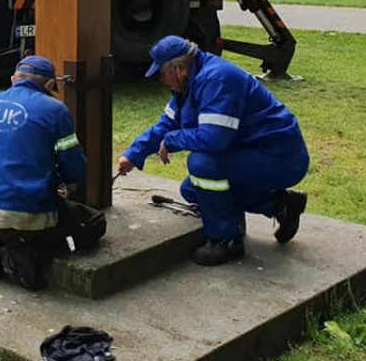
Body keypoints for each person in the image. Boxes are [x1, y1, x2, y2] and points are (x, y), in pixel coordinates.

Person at [116, 35, 309, 266]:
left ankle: (225, 240)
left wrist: (172, 140)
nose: (161, 80)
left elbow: (214, 140)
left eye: (161, 74)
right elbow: (165, 125)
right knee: (192, 189)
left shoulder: (217, 79)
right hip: (251, 152)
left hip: (280, 156)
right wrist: (133, 154)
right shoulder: (188, 84)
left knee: (202, 164)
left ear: (179, 69)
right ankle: (281, 205)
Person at [0, 55, 87, 289]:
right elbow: (73, 165)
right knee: (89, 225)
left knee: (3, 223)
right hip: (26, 214)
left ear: (13, 79)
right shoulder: (55, 109)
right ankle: (25, 253)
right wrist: (67, 183)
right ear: (50, 84)